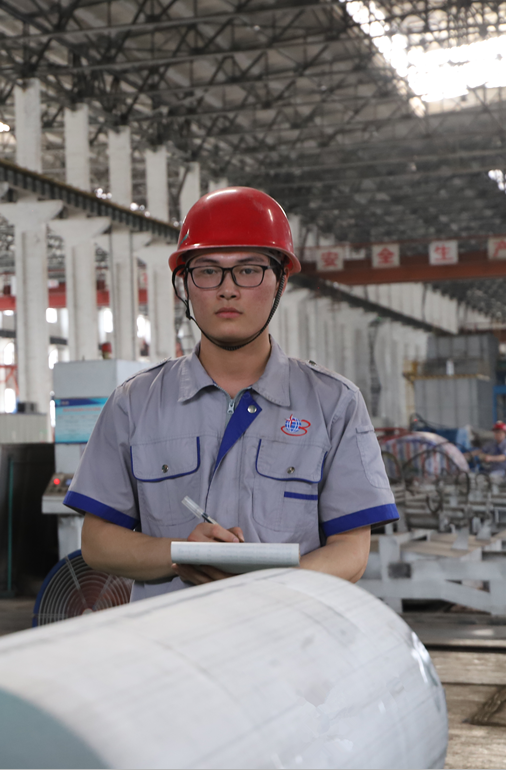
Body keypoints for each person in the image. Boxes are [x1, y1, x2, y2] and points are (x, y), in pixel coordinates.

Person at [64, 187, 399, 601]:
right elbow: (98, 542)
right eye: (208, 271)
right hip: (172, 636)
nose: (227, 289)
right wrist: (180, 554)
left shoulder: (334, 404)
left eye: (249, 270)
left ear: (281, 281)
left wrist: (268, 587)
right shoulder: (134, 404)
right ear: (185, 284)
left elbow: (351, 551)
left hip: (284, 633)